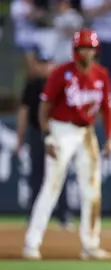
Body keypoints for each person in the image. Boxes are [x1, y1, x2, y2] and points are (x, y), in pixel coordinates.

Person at [22, 29, 111, 261]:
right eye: (84, 47)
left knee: (92, 188)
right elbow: (45, 106)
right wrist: (47, 135)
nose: (88, 52)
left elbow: (108, 109)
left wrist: (110, 137)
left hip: (86, 132)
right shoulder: (61, 73)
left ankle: (90, 244)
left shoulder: (101, 75)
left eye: (91, 47)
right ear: (76, 50)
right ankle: (31, 244)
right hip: (61, 129)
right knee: (51, 186)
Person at [16, 41, 74, 231]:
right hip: (36, 132)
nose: (45, 66)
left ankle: (63, 215)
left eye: (48, 62)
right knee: (36, 174)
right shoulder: (33, 85)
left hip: (57, 133)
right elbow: (24, 111)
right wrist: (19, 137)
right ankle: (35, 216)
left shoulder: (61, 84)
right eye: (42, 62)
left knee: (59, 174)